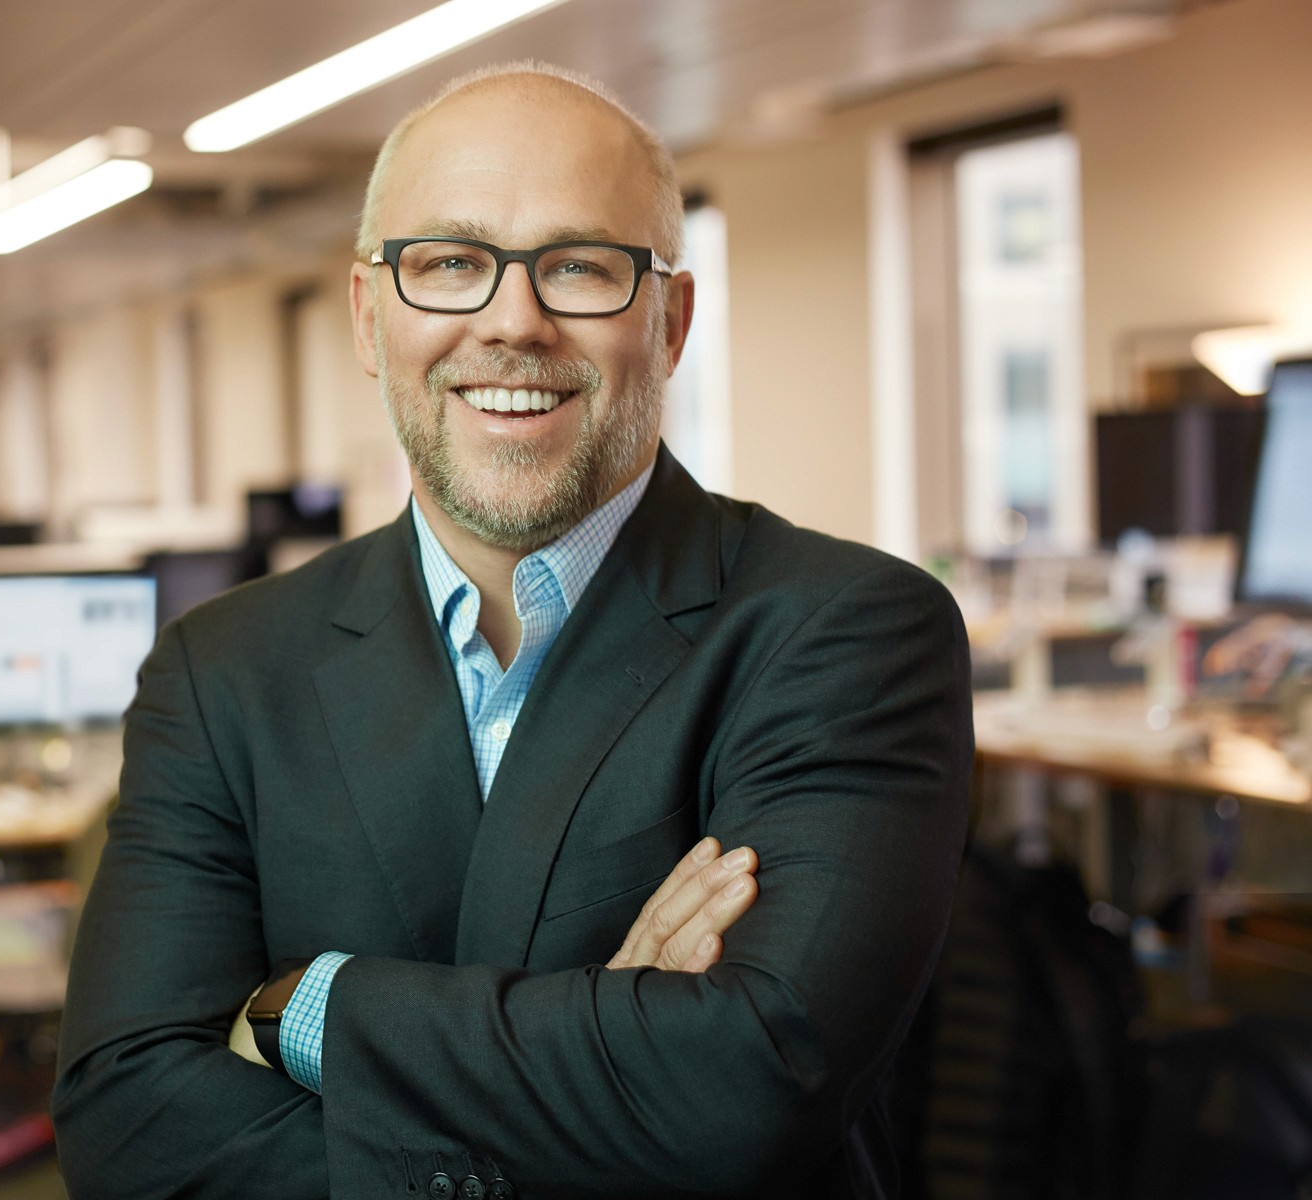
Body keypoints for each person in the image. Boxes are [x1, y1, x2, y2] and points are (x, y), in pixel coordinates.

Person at [55, 63, 973, 1199]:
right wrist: (619, 1058)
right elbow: (128, 1130)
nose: (512, 322)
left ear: (670, 320)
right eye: (449, 264)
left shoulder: (844, 632)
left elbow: (748, 1086)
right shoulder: (223, 671)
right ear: (367, 316)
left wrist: (308, 1005)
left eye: (581, 267)